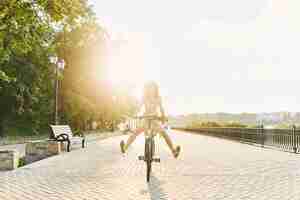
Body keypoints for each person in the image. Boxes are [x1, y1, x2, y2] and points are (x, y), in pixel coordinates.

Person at [120, 81, 181, 158]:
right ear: (147, 89)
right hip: (146, 118)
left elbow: (161, 108)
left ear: (156, 89)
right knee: (135, 132)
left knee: (164, 134)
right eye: (149, 88)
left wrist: (163, 117)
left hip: (155, 119)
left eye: (153, 88)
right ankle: (125, 147)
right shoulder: (144, 98)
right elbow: (139, 107)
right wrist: (135, 115)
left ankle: (174, 151)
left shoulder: (158, 98)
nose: (151, 90)